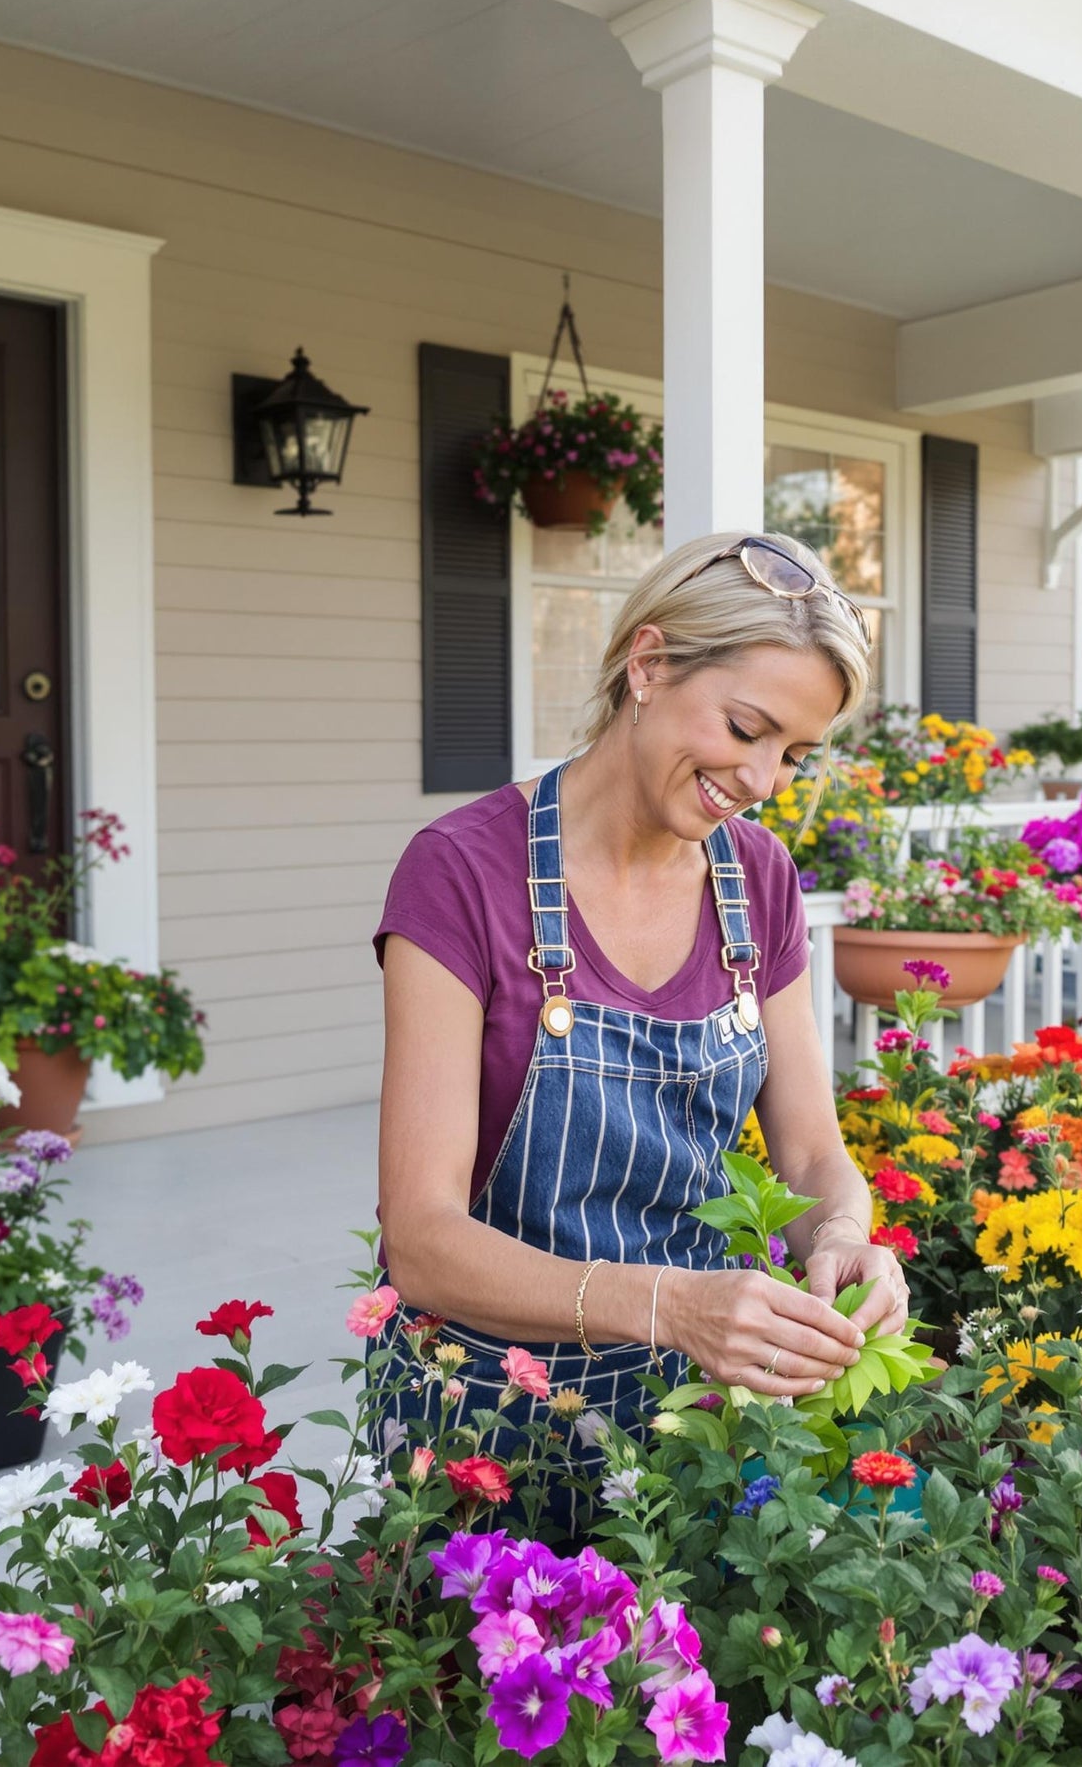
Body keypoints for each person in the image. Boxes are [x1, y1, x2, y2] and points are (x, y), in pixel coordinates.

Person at [373, 529, 909, 1462]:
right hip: (487, 1420)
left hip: (697, 1422)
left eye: (794, 753)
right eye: (746, 729)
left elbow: (814, 1149)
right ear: (648, 662)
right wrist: (670, 1305)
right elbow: (420, 1239)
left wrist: (845, 1233)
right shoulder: (463, 871)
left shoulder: (759, 876)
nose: (760, 782)